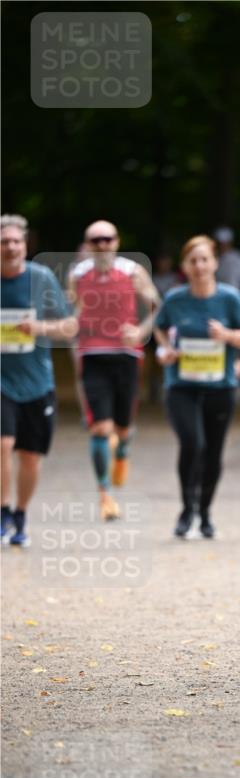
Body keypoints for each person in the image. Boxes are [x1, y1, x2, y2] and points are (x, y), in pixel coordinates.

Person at [153, 235, 240, 538]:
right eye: (193, 260)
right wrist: (165, 350)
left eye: (204, 259)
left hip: (221, 387)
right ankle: (187, 509)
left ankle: (205, 512)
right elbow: (159, 329)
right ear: (184, 266)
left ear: (214, 263)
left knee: (213, 452)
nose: (199, 266)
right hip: (181, 387)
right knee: (192, 444)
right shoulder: (175, 299)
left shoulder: (229, 298)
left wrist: (227, 336)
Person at [68, 220, 160, 521]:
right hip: (93, 355)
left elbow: (159, 307)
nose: (103, 245)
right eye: (96, 240)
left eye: (108, 239)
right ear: (88, 245)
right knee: (100, 428)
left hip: (126, 356)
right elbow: (71, 314)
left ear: (117, 242)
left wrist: (141, 330)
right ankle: (104, 494)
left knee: (122, 429)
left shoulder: (133, 271)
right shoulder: (77, 275)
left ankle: (122, 451)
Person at [1, 214, 78, 546]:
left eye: (16, 241)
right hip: (2, 382)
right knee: (2, 445)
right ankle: (3, 512)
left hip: (36, 383)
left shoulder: (41, 278)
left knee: (30, 456)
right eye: (4, 241)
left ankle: (20, 514)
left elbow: (69, 326)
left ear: (25, 244)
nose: (11, 247)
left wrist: (40, 328)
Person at [213, 227, 240, 300]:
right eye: (221, 242)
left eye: (225, 242)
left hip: (236, 298)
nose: (223, 245)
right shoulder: (214, 259)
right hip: (219, 299)